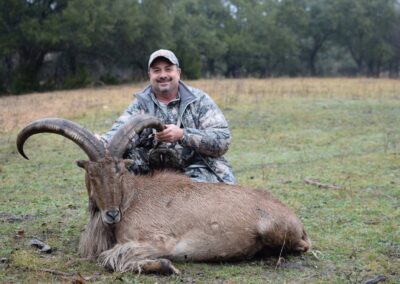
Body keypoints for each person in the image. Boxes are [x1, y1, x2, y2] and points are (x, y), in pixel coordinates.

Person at [101, 49, 236, 184]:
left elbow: (222, 140)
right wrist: (101, 142)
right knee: (114, 170)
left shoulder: (199, 100)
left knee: (217, 193)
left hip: (194, 168)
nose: (163, 75)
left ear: (178, 72)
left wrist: (183, 135)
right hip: (150, 171)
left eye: (168, 69)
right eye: (157, 70)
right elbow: (119, 132)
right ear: (150, 75)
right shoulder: (139, 105)